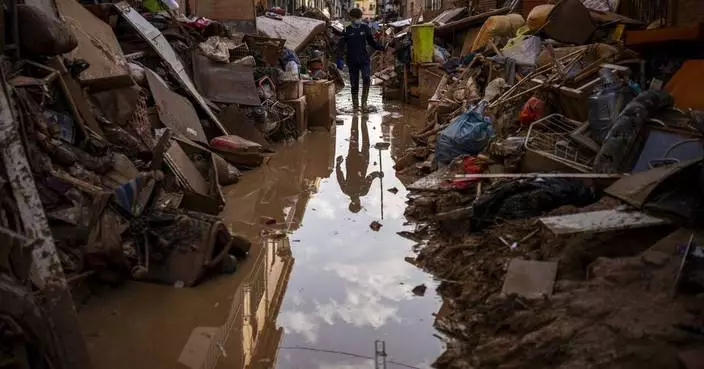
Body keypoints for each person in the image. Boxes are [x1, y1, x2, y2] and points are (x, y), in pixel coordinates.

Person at [337, 8, 384, 112]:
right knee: (354, 83)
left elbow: (372, 42)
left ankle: (364, 104)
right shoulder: (346, 30)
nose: (357, 20)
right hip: (352, 60)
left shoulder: (365, 28)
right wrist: (339, 58)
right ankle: (355, 105)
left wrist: (381, 47)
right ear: (351, 18)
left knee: (366, 78)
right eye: (355, 18)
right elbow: (340, 46)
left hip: (364, 59)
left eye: (359, 18)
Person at [336, 115, 383, 213]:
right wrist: (338, 164)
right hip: (354, 161)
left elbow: (369, 177)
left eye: (358, 203)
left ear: (358, 202)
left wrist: (378, 174)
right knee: (354, 137)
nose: (358, 201)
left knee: (363, 140)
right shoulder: (347, 190)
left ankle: (362, 121)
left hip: (361, 162)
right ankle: (356, 117)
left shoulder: (362, 191)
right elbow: (339, 176)